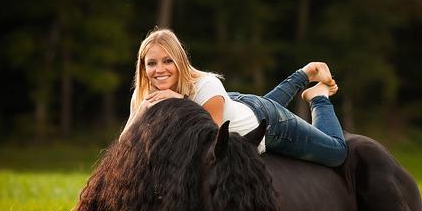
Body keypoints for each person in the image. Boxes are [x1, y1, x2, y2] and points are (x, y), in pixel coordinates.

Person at [122, 29, 347, 167]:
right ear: (143, 67)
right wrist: (140, 112)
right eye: (151, 63)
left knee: (337, 153)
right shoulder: (145, 95)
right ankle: (306, 73)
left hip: (267, 124)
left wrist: (179, 101)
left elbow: (212, 144)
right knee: (262, 103)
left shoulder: (206, 86)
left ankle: (318, 97)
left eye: (168, 61)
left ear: (180, 61)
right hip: (235, 106)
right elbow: (123, 147)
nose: (159, 70)